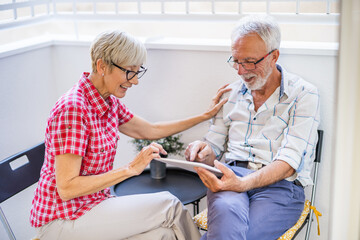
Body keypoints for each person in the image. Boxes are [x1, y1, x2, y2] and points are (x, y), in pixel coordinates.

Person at [30, 30, 229, 240]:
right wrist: (131, 169)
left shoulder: (108, 102)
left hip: (93, 206)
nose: (134, 81)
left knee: (166, 234)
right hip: (63, 220)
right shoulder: (74, 109)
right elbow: (67, 188)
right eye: (129, 72)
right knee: (169, 206)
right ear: (102, 66)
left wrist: (205, 116)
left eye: (137, 71)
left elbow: (150, 130)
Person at [185, 15, 320, 240]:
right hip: (230, 175)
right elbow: (214, 150)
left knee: (235, 235)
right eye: (236, 61)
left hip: (281, 187)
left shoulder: (304, 94)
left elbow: (289, 162)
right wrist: (203, 151)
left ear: (274, 56)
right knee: (229, 230)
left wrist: (243, 184)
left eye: (249, 61)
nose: (240, 71)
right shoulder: (230, 94)